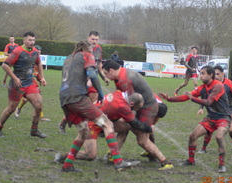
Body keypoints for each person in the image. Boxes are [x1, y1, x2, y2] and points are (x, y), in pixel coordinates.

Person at [59, 41, 140, 172]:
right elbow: (92, 74)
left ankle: (67, 165)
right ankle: (118, 161)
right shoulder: (87, 56)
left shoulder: (68, 58)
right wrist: (101, 94)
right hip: (77, 97)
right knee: (107, 124)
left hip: (64, 99)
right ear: (87, 50)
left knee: (83, 132)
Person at [159, 66, 232, 173]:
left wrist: (192, 98)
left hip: (223, 117)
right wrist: (169, 99)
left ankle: (221, 165)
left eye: (203, 73)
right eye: (200, 73)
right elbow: (186, 97)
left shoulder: (218, 86)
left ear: (211, 75)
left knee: (219, 136)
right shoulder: (203, 87)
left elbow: (208, 102)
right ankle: (191, 160)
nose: (200, 76)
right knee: (192, 136)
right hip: (211, 118)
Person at [102, 60, 173, 170]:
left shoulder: (124, 80)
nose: (106, 77)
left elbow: (129, 104)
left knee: (142, 140)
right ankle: (113, 155)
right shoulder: (121, 75)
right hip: (142, 105)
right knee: (125, 128)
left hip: (147, 107)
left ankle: (166, 163)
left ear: (111, 70)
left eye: (106, 74)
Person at [55, 91, 147, 162]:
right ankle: (63, 156)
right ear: (131, 104)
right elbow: (135, 123)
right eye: (137, 108)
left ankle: (112, 155)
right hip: (92, 122)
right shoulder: (123, 106)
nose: (137, 110)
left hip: (102, 120)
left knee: (124, 127)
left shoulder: (119, 94)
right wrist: (149, 129)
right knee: (90, 155)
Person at [0, 32, 47, 138]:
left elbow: (38, 63)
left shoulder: (36, 52)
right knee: (11, 108)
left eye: (33, 40)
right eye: (29, 40)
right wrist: (15, 78)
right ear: (24, 40)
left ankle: (34, 131)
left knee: (38, 105)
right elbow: (5, 65)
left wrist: (42, 77)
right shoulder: (18, 51)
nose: (32, 42)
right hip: (16, 84)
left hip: (29, 83)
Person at [197, 65, 232, 154]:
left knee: (231, 130)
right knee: (208, 130)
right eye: (214, 74)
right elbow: (204, 96)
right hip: (213, 111)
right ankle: (203, 148)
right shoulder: (210, 84)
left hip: (227, 112)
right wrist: (201, 108)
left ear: (223, 74)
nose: (216, 76)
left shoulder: (230, 84)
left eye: (218, 74)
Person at [14, 45, 51, 121]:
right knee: (37, 99)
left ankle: (18, 109)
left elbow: (36, 74)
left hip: (31, 82)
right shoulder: (29, 60)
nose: (39, 54)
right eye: (38, 52)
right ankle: (40, 116)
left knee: (27, 99)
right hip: (26, 82)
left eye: (40, 53)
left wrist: (41, 80)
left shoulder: (37, 62)